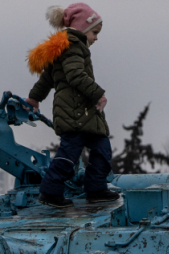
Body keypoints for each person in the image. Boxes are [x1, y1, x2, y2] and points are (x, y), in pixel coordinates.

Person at [25, 3, 119, 208]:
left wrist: (34, 98)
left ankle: (95, 189)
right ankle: (51, 192)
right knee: (71, 155)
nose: (96, 37)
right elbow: (76, 75)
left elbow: (46, 80)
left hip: (82, 111)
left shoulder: (62, 48)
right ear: (83, 28)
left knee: (100, 148)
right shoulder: (74, 45)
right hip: (75, 110)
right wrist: (99, 94)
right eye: (95, 32)